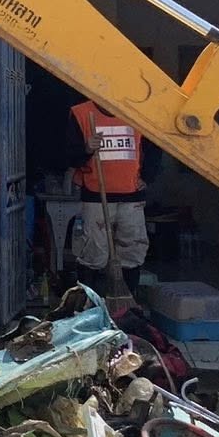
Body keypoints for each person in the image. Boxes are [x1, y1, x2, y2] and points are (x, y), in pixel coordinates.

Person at [68, 96, 162, 305]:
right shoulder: (81, 114)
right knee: (93, 252)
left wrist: (148, 176)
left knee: (132, 249)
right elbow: (69, 156)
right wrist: (87, 149)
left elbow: (155, 146)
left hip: (131, 195)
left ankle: (126, 303)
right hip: (96, 195)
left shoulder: (137, 112)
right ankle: (89, 305)